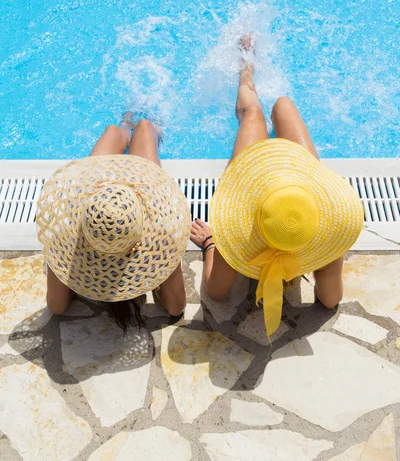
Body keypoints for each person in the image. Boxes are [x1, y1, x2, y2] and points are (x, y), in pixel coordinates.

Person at [190, 36, 364, 337]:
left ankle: (246, 70)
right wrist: (330, 253)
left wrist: (211, 244)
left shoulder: (238, 241)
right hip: (301, 194)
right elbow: (331, 299)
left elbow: (215, 292)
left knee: (255, 112)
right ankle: (247, 67)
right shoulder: (322, 229)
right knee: (282, 104)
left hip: (279, 184)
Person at [37, 117, 190, 331]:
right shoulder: (157, 234)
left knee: (114, 131)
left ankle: (126, 123)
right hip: (131, 196)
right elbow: (176, 308)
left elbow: (56, 305)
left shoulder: (73, 236)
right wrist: (166, 258)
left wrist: (62, 260)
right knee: (144, 127)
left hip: (99, 193)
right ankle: (133, 124)